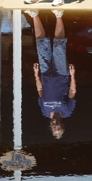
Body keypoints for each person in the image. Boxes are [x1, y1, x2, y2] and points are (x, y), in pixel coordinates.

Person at [29, 9, 76, 139]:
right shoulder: (67, 112)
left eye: (54, 129)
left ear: (50, 127)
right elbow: (72, 92)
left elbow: (40, 90)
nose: (56, 126)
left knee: (41, 43)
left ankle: (34, 14)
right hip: (62, 74)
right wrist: (72, 75)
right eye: (59, 128)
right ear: (62, 125)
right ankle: (58, 15)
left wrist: (36, 75)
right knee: (59, 45)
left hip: (45, 74)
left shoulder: (45, 111)